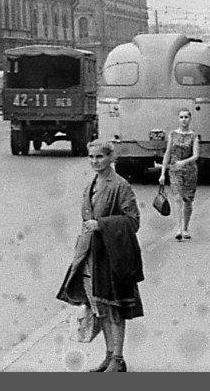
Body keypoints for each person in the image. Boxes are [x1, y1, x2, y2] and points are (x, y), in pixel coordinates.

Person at [56, 140, 144, 373]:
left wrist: (102, 224)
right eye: (91, 157)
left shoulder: (120, 185)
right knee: (100, 306)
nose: (95, 161)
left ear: (110, 158)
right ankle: (108, 356)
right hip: (91, 254)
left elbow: (133, 221)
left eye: (100, 157)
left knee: (114, 307)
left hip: (112, 255)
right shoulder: (93, 183)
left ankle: (118, 358)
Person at [158, 108, 199, 241]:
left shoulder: (194, 136)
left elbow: (195, 155)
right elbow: (168, 153)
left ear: (190, 119)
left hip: (190, 171)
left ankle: (185, 227)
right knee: (177, 197)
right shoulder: (172, 135)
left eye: (186, 117)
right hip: (175, 170)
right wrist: (162, 173)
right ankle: (178, 228)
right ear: (178, 119)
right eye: (181, 117)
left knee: (188, 200)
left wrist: (184, 162)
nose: (183, 120)